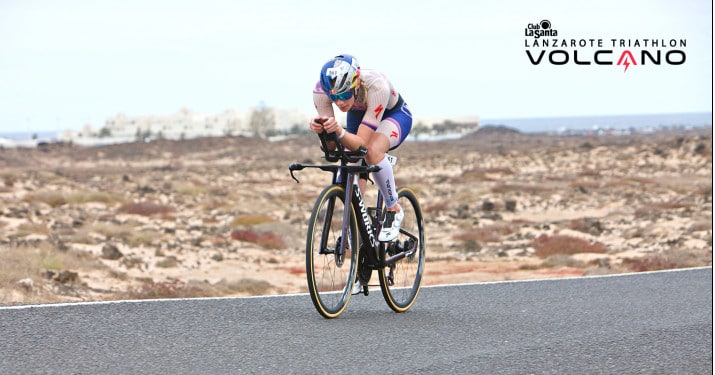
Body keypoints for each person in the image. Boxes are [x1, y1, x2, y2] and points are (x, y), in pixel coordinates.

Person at [309, 54, 412, 242]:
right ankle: (357, 223)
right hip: (359, 116)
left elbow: (362, 144)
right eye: (334, 97)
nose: (339, 102)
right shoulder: (320, 91)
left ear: (356, 84)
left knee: (372, 151)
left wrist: (339, 131)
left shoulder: (376, 86)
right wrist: (323, 132)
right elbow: (332, 148)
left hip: (393, 115)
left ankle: (393, 208)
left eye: (344, 94)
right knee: (349, 163)